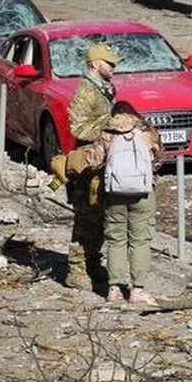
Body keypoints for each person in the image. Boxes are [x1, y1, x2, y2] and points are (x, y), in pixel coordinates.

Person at [80, 101, 164, 304]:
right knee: (140, 241)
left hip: (114, 194)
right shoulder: (147, 131)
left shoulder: (107, 132)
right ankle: (137, 291)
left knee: (116, 240)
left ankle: (114, 289)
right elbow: (159, 158)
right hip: (142, 194)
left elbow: (93, 161)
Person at [64, 43, 121, 291]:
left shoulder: (102, 88)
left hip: (101, 160)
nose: (114, 67)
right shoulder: (87, 91)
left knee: (99, 217)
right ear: (95, 64)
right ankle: (76, 270)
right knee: (85, 218)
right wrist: (108, 128)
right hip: (88, 163)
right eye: (110, 63)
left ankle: (92, 262)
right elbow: (77, 128)